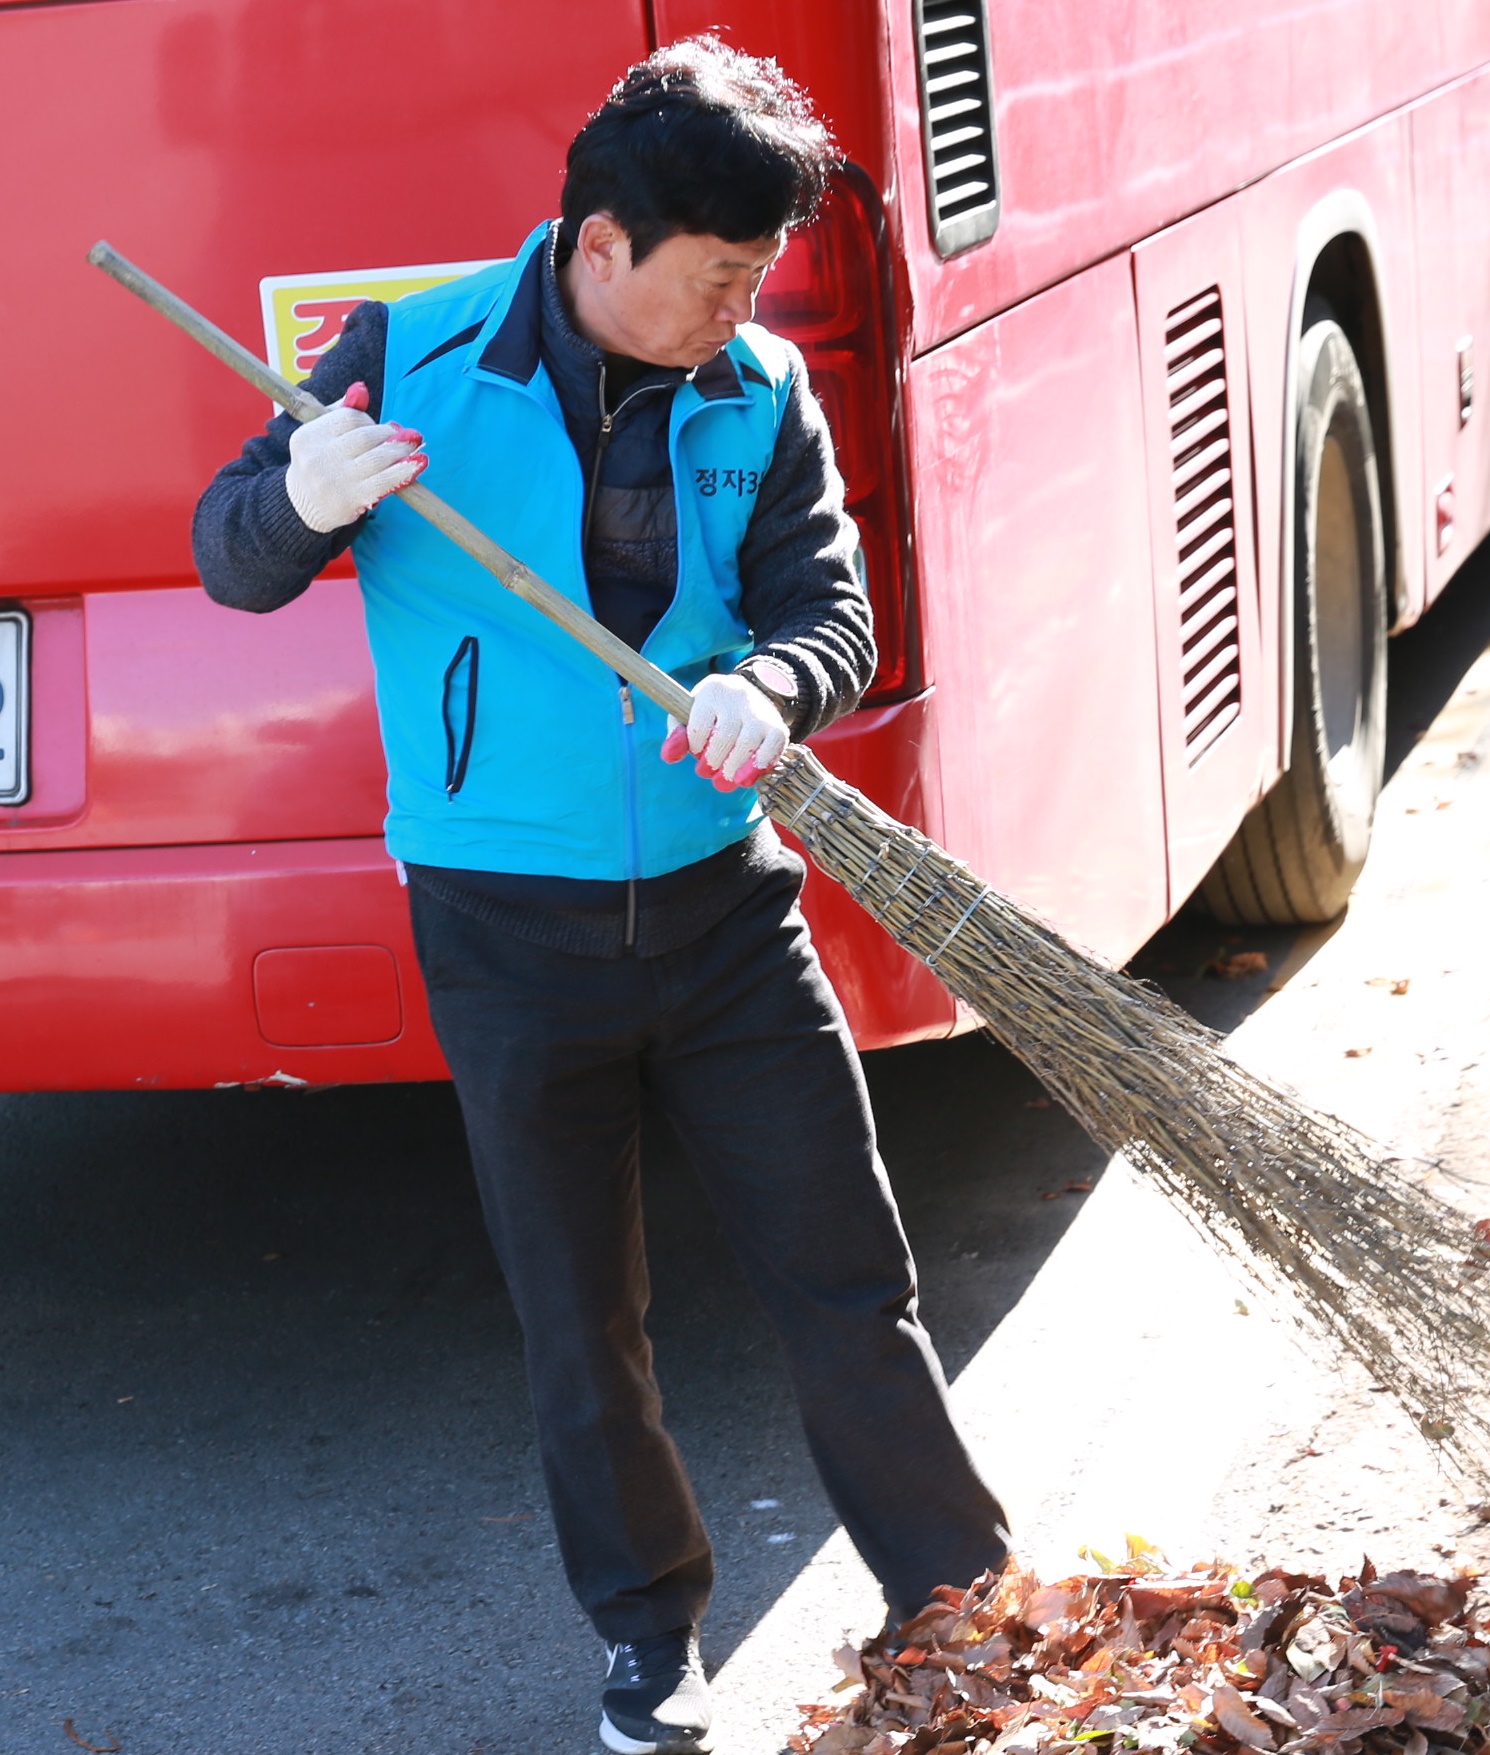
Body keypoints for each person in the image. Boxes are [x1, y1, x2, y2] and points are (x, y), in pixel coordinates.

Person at [191, 38, 1010, 1755]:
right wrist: (301, 498)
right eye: (711, 282)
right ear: (597, 244)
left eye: (753, 283)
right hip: (504, 938)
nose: (734, 313)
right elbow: (229, 552)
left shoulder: (761, 392)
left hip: (727, 918)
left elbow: (831, 612)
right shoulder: (406, 355)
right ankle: (648, 1642)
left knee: (845, 1277)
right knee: (584, 1322)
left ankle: (960, 1604)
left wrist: (775, 689)